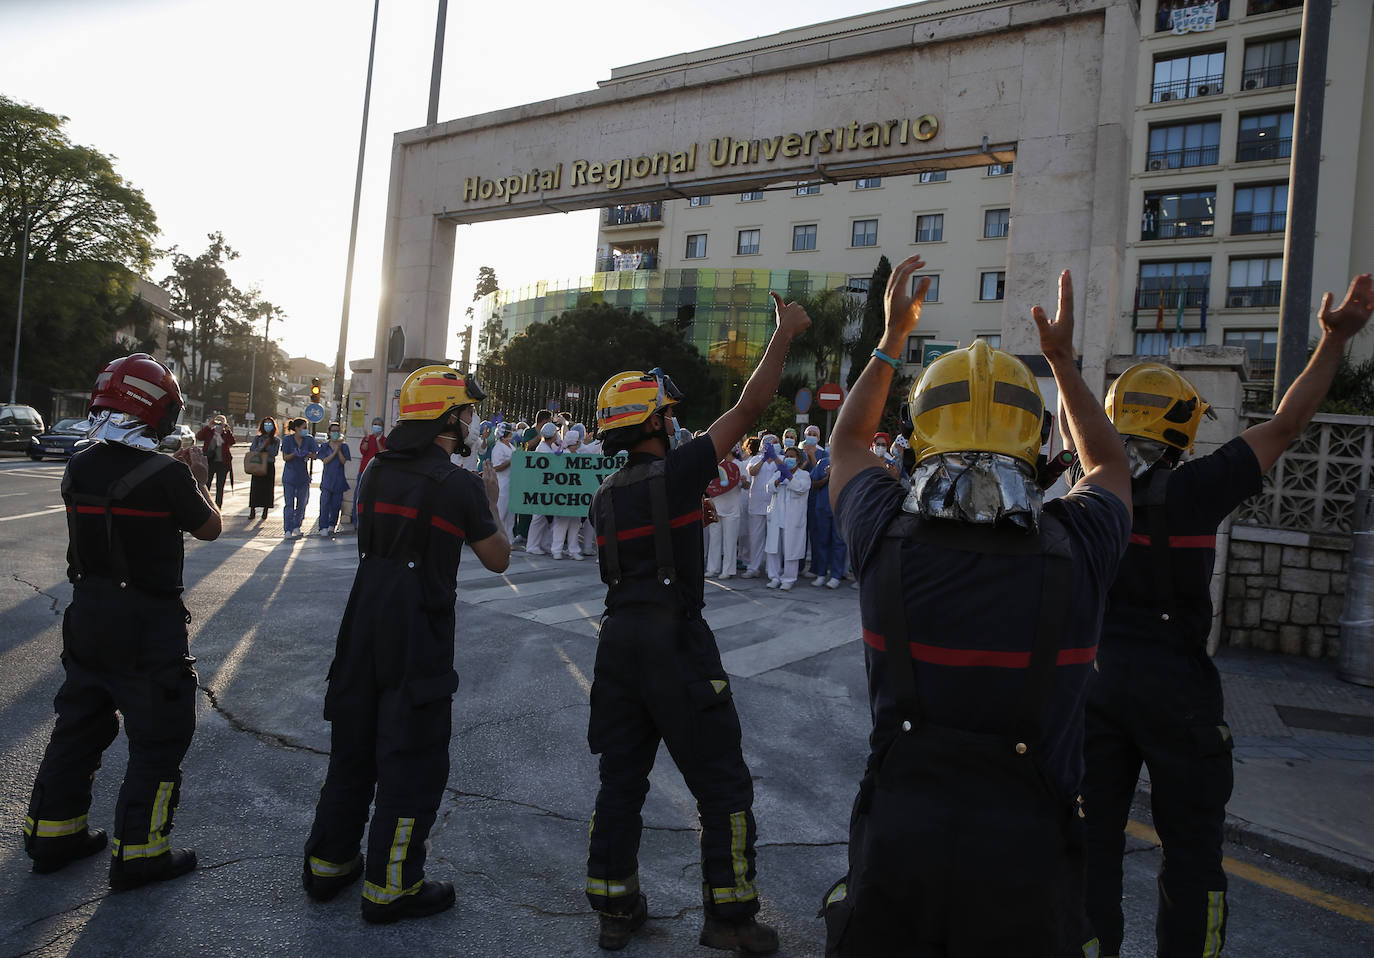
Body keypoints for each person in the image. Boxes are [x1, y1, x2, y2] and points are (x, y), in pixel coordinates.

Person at [822, 260, 1131, 957]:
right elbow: (1110, 468)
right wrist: (1063, 362)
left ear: (919, 434)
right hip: (1028, 859)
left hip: (900, 848)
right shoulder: (1080, 545)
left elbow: (847, 442)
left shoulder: (879, 530)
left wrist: (892, 338)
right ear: (1038, 443)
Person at [1080, 273, 1374, 958]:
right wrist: (1332, 341)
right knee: (1192, 858)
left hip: (1097, 688)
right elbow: (1289, 423)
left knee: (1090, 848)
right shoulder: (1200, 490)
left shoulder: (1086, 499)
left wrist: (1066, 368)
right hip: (1180, 692)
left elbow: (1080, 434)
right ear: (1181, 428)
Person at [584, 291, 811, 953]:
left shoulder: (605, 496)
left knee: (620, 781)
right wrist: (784, 333)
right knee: (723, 785)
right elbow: (748, 407)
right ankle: (730, 918)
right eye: (670, 418)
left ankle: (614, 909)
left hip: (616, 647)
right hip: (674, 646)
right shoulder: (679, 473)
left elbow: (644, 543)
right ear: (652, 425)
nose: (677, 427)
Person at [302, 366, 510, 924]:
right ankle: (392, 887)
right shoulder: (459, 484)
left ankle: (327, 865)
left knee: (353, 750)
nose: (470, 420)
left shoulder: (374, 470)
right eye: (465, 412)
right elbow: (498, 558)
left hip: (363, 619)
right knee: (411, 759)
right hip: (418, 627)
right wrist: (489, 499)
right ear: (449, 419)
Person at [23, 353, 221, 890]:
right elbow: (210, 529)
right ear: (152, 411)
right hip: (147, 621)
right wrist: (198, 478)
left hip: (87, 611)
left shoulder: (79, 464)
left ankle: (51, 835)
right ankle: (141, 853)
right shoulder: (169, 473)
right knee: (159, 735)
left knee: (79, 723)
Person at [764, 445, 810, 590]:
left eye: (792, 456)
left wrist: (789, 477)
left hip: (793, 519)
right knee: (773, 548)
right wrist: (779, 480)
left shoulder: (804, 475)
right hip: (777, 517)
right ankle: (774, 577)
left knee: (791, 550)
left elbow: (801, 488)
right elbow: (768, 487)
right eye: (787, 456)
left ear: (798, 459)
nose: (789, 459)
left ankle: (788, 579)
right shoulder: (778, 473)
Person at [804, 427, 845, 589]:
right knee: (821, 541)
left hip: (838, 509)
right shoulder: (823, 463)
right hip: (822, 508)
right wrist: (827, 477)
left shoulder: (846, 463)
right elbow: (813, 484)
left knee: (838, 542)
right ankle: (821, 574)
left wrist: (835, 475)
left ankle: (836, 575)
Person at [704, 446, 744, 579]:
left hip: (732, 509)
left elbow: (745, 484)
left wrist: (744, 482)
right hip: (716, 507)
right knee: (714, 539)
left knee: (730, 541)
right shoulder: (714, 465)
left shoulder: (739, 465)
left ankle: (728, 570)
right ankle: (712, 568)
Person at [741, 434, 777, 578]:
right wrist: (763, 458)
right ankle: (753, 567)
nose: (774, 445)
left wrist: (774, 456)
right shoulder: (755, 459)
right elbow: (752, 471)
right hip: (756, 503)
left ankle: (771, 569)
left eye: (776, 443)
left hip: (774, 504)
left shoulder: (780, 459)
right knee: (755, 538)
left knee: (773, 538)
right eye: (771, 443)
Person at [280, 418, 318, 538]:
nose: (306, 430)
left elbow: (316, 455)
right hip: (290, 476)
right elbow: (285, 457)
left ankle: (297, 525)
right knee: (289, 504)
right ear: (296, 428)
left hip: (303, 476)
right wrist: (294, 454)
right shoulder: (287, 439)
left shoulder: (309, 440)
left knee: (302, 503)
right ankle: (288, 528)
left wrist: (308, 454)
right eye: (304, 427)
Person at [316, 421, 351, 536]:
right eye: (333, 431)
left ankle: (332, 525)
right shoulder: (325, 446)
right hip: (327, 480)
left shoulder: (344, 446)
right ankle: (323, 526)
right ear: (329, 433)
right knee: (325, 504)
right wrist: (334, 451)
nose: (335, 433)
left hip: (339, 480)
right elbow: (325, 460)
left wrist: (339, 449)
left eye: (337, 431)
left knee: (336, 505)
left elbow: (343, 461)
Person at [196, 414, 235, 508]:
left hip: (223, 463)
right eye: (217, 421)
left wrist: (227, 430)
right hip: (210, 461)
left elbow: (232, 442)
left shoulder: (226, 433)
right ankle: (206, 505)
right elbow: (199, 436)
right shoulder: (209, 431)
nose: (218, 423)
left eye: (221, 421)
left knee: (220, 486)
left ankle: (218, 506)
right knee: (206, 484)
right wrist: (208, 426)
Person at [247, 417, 279, 520]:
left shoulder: (276, 440)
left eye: (270, 424)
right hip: (258, 464)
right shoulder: (257, 438)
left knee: (268, 488)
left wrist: (267, 446)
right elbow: (253, 450)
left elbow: (274, 453)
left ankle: (265, 511)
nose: (268, 426)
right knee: (255, 488)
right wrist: (262, 445)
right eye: (266, 424)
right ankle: (252, 510)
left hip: (269, 465)